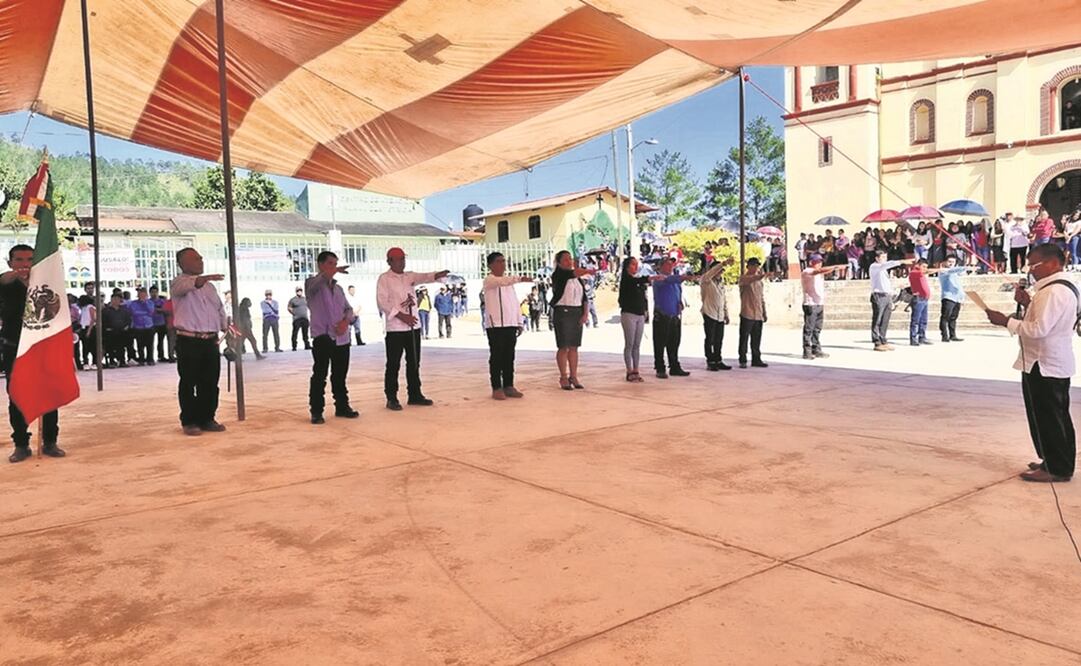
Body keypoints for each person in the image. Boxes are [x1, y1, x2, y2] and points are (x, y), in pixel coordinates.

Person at [986, 244, 1076, 482]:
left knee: (1050, 417)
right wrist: (1027, 304)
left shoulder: (1053, 292)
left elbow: (1039, 329)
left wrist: (1006, 321)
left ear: (1053, 263)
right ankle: (1054, 458)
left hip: (1045, 363)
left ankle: (1057, 468)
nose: (1031, 271)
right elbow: (1046, 320)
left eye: (1034, 265)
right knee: (1049, 416)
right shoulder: (1054, 290)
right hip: (1044, 361)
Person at [1, 245, 65, 462]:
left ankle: (50, 441)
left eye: (29, 259)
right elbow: (4, 281)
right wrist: (11, 278)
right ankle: (21, 444)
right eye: (19, 260)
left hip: (42, 346)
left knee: (49, 393)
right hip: (14, 348)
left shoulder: (46, 285)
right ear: (10, 263)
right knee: (16, 395)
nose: (24, 264)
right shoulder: (5, 283)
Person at [376, 247, 449, 410]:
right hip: (395, 329)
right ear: (389, 261)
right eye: (399, 259)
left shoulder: (409, 276)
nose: (402, 262)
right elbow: (383, 303)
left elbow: (425, 277)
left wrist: (438, 275)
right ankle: (392, 397)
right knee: (393, 364)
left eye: (403, 258)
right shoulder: (384, 279)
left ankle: (415, 394)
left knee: (414, 362)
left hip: (413, 328)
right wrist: (402, 316)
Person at [170, 248, 227, 436]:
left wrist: (225, 327)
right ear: (182, 264)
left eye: (201, 258)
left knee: (210, 381)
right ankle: (189, 421)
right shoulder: (179, 282)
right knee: (189, 381)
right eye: (195, 259)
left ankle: (207, 418)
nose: (200, 261)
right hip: (189, 340)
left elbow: (218, 308)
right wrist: (203, 279)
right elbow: (190, 285)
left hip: (210, 340)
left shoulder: (210, 287)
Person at [306, 251, 358, 424]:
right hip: (322, 337)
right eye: (330, 264)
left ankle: (342, 406)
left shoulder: (338, 289)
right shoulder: (312, 285)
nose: (333, 267)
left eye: (335, 264)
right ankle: (316, 411)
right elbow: (320, 279)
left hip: (342, 338)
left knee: (340, 375)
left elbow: (348, 310)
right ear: (320, 265)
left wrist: (345, 321)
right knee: (320, 375)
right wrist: (329, 273)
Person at [482, 252, 532, 400]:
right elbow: (502, 281)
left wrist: (519, 322)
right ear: (490, 265)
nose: (502, 264)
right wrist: (520, 278)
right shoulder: (489, 280)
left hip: (510, 324)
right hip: (495, 325)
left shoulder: (509, 284)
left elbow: (514, 303)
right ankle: (496, 387)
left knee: (509, 356)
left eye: (503, 261)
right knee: (497, 356)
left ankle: (509, 385)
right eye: (498, 261)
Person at [550, 250, 594, 390]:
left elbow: (585, 298)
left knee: (574, 346)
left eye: (571, 259)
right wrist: (588, 270)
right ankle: (563, 376)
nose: (570, 262)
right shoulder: (559, 275)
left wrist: (585, 313)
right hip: (563, 312)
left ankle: (573, 376)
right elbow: (571, 273)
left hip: (576, 312)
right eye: (566, 259)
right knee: (563, 346)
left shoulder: (577, 279)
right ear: (559, 262)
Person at [652, 256, 692, 379]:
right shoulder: (659, 278)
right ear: (661, 266)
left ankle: (674, 366)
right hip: (662, 315)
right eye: (668, 264)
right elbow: (669, 280)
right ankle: (660, 367)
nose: (671, 267)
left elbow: (677, 290)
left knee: (674, 342)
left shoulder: (675, 280)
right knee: (660, 343)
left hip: (675, 315)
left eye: (671, 265)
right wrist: (682, 277)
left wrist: (680, 302)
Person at [618, 257, 656, 381]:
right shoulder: (627, 280)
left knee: (637, 344)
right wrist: (650, 278)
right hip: (629, 314)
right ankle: (629, 370)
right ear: (628, 266)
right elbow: (636, 281)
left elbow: (643, 298)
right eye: (633, 264)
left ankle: (636, 369)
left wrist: (645, 311)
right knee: (629, 343)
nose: (636, 267)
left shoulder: (637, 281)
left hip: (639, 314)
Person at [868, 250, 915, 351]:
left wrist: (894, 289)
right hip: (878, 296)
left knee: (885, 319)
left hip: (887, 296)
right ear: (877, 258)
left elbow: (885, 284)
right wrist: (902, 261)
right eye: (882, 257)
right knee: (877, 319)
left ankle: (883, 340)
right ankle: (876, 342)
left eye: (885, 257)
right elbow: (887, 265)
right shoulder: (875, 267)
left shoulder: (883, 270)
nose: (885, 259)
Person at [801, 254, 842, 360]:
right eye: (817, 262)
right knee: (809, 329)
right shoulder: (807, 271)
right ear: (811, 262)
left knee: (817, 329)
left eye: (820, 262)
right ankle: (807, 351)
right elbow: (818, 271)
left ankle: (816, 349)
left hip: (819, 303)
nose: (819, 264)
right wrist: (834, 267)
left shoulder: (819, 273)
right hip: (810, 304)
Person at [738, 257, 772, 368]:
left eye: (757, 266)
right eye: (754, 266)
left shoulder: (759, 283)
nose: (756, 268)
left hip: (758, 313)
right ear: (749, 266)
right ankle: (743, 359)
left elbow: (761, 298)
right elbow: (749, 280)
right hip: (747, 312)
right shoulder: (744, 278)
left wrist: (764, 311)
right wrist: (761, 276)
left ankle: (756, 358)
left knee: (756, 338)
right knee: (744, 338)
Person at [700, 256, 732, 371]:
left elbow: (723, 300)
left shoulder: (721, 283)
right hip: (709, 313)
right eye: (719, 270)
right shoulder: (706, 280)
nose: (720, 273)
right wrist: (723, 263)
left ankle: (718, 359)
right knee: (710, 339)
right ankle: (710, 360)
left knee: (719, 339)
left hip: (720, 315)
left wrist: (726, 314)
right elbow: (709, 274)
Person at [936, 255, 966, 343]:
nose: (951, 264)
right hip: (948, 297)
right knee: (945, 317)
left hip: (957, 298)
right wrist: (966, 268)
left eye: (953, 262)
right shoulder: (944, 271)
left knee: (953, 318)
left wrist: (962, 298)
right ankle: (944, 335)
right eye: (949, 261)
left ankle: (953, 335)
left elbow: (959, 287)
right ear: (945, 262)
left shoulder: (956, 273)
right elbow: (951, 270)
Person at [907, 259, 934, 346]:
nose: (925, 268)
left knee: (923, 319)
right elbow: (927, 272)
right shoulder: (914, 272)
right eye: (923, 266)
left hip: (924, 299)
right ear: (918, 265)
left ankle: (922, 337)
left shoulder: (921, 274)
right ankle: (913, 338)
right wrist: (940, 269)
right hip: (918, 299)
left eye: (926, 267)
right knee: (915, 320)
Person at [101, 293, 132, 367]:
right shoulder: (106, 310)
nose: (115, 301)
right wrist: (107, 328)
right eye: (114, 299)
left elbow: (128, 320)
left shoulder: (124, 310)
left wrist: (127, 327)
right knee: (110, 347)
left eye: (117, 299)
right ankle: (112, 361)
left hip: (122, 331)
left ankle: (122, 361)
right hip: (110, 332)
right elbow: (103, 321)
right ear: (111, 300)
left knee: (121, 347)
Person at [129, 287, 157, 365]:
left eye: (143, 293)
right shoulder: (133, 303)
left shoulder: (150, 302)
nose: (141, 295)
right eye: (140, 293)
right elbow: (134, 313)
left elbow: (151, 312)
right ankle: (141, 359)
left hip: (149, 326)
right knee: (140, 344)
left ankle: (150, 359)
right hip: (138, 327)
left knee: (150, 344)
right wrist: (145, 313)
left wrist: (144, 303)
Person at [287, 287, 311, 351]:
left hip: (305, 318)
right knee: (295, 333)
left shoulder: (305, 299)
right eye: (298, 291)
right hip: (297, 319)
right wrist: (294, 313)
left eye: (300, 291)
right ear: (296, 292)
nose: (299, 292)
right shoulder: (293, 300)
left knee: (305, 333)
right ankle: (294, 346)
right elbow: (289, 308)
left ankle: (307, 345)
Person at [150, 285, 169, 362]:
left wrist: (157, 310)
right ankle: (150, 356)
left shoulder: (162, 301)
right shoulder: (148, 302)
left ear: (158, 292)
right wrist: (159, 310)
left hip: (162, 323)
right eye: (152, 292)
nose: (154, 294)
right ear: (150, 293)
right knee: (151, 342)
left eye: (155, 292)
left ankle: (161, 356)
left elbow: (165, 310)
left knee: (161, 341)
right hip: (152, 324)